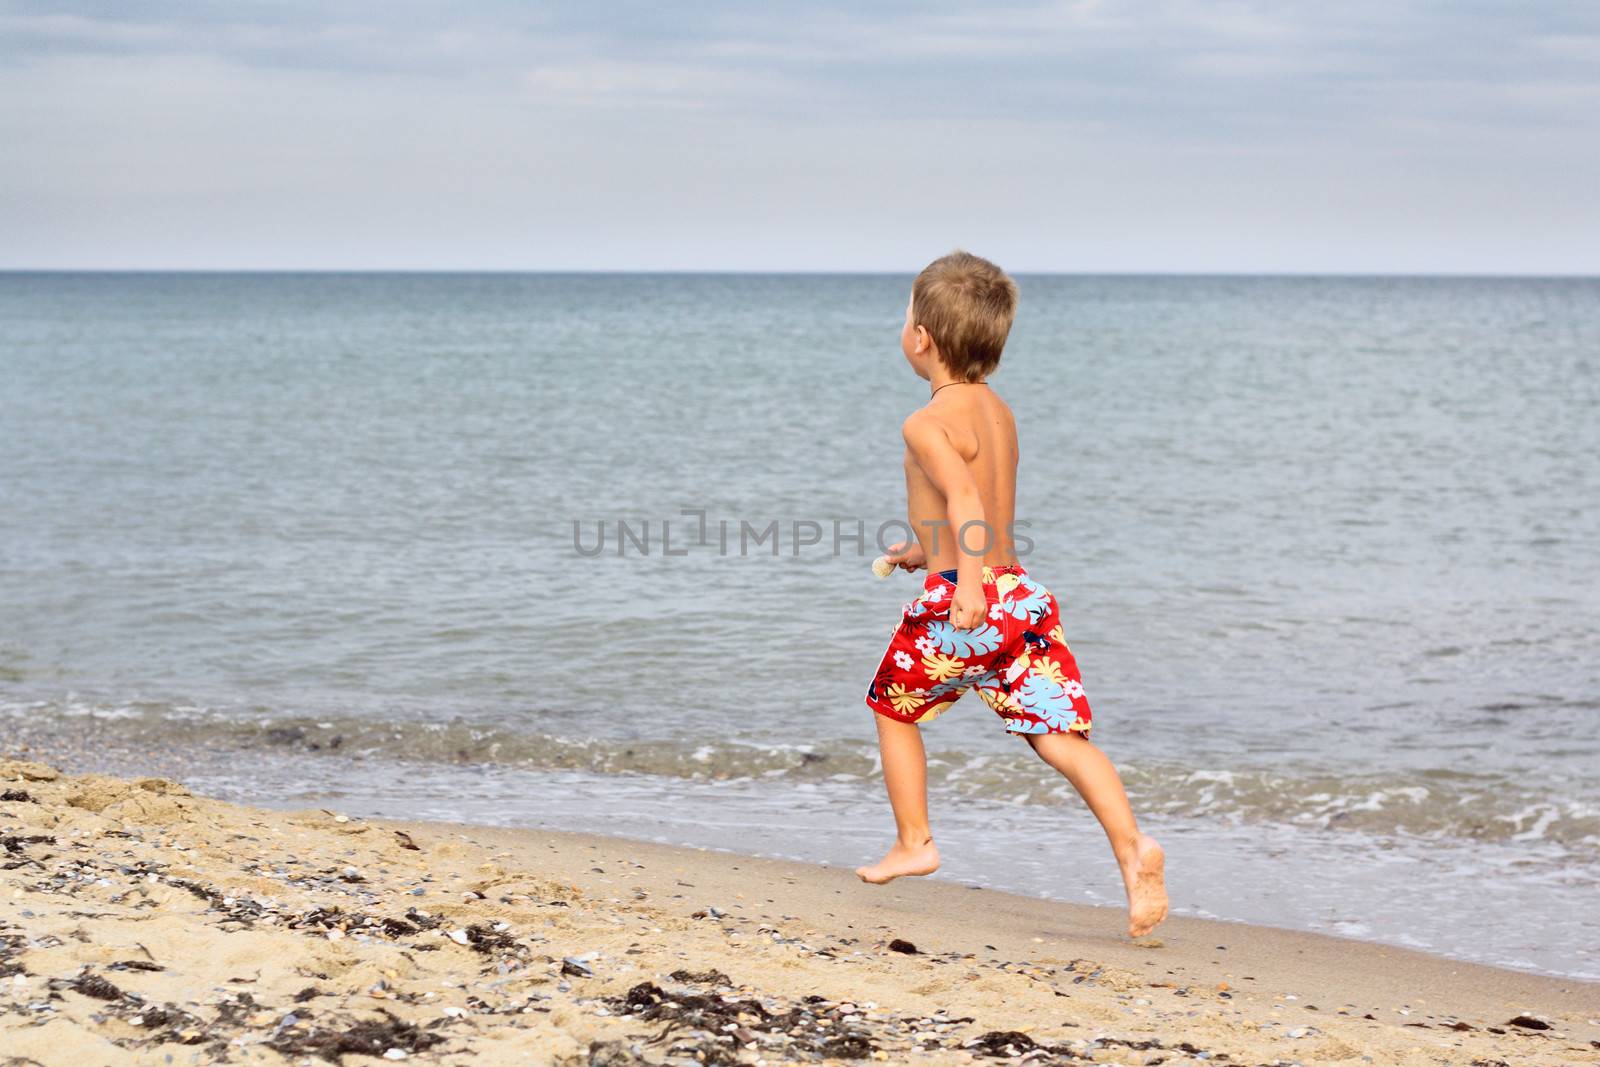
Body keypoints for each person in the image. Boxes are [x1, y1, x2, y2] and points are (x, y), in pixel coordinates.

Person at [857, 249, 1168, 938]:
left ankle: (915, 841)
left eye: (905, 315)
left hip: (965, 597)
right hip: (1018, 596)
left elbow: (965, 496)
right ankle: (1132, 848)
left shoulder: (924, 421)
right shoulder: (999, 413)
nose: (902, 326)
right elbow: (979, 511)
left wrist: (960, 579)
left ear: (921, 338)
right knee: (1057, 734)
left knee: (891, 706)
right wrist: (923, 550)